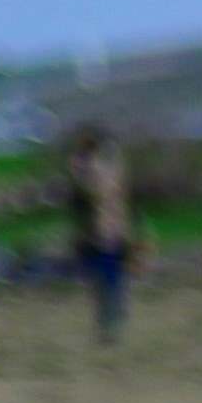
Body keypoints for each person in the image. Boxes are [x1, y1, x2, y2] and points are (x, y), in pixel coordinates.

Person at [62, 123, 144, 343]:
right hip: (99, 235)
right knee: (105, 283)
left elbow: (97, 192)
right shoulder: (103, 169)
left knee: (110, 281)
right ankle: (109, 324)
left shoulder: (101, 170)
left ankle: (111, 324)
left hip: (108, 234)